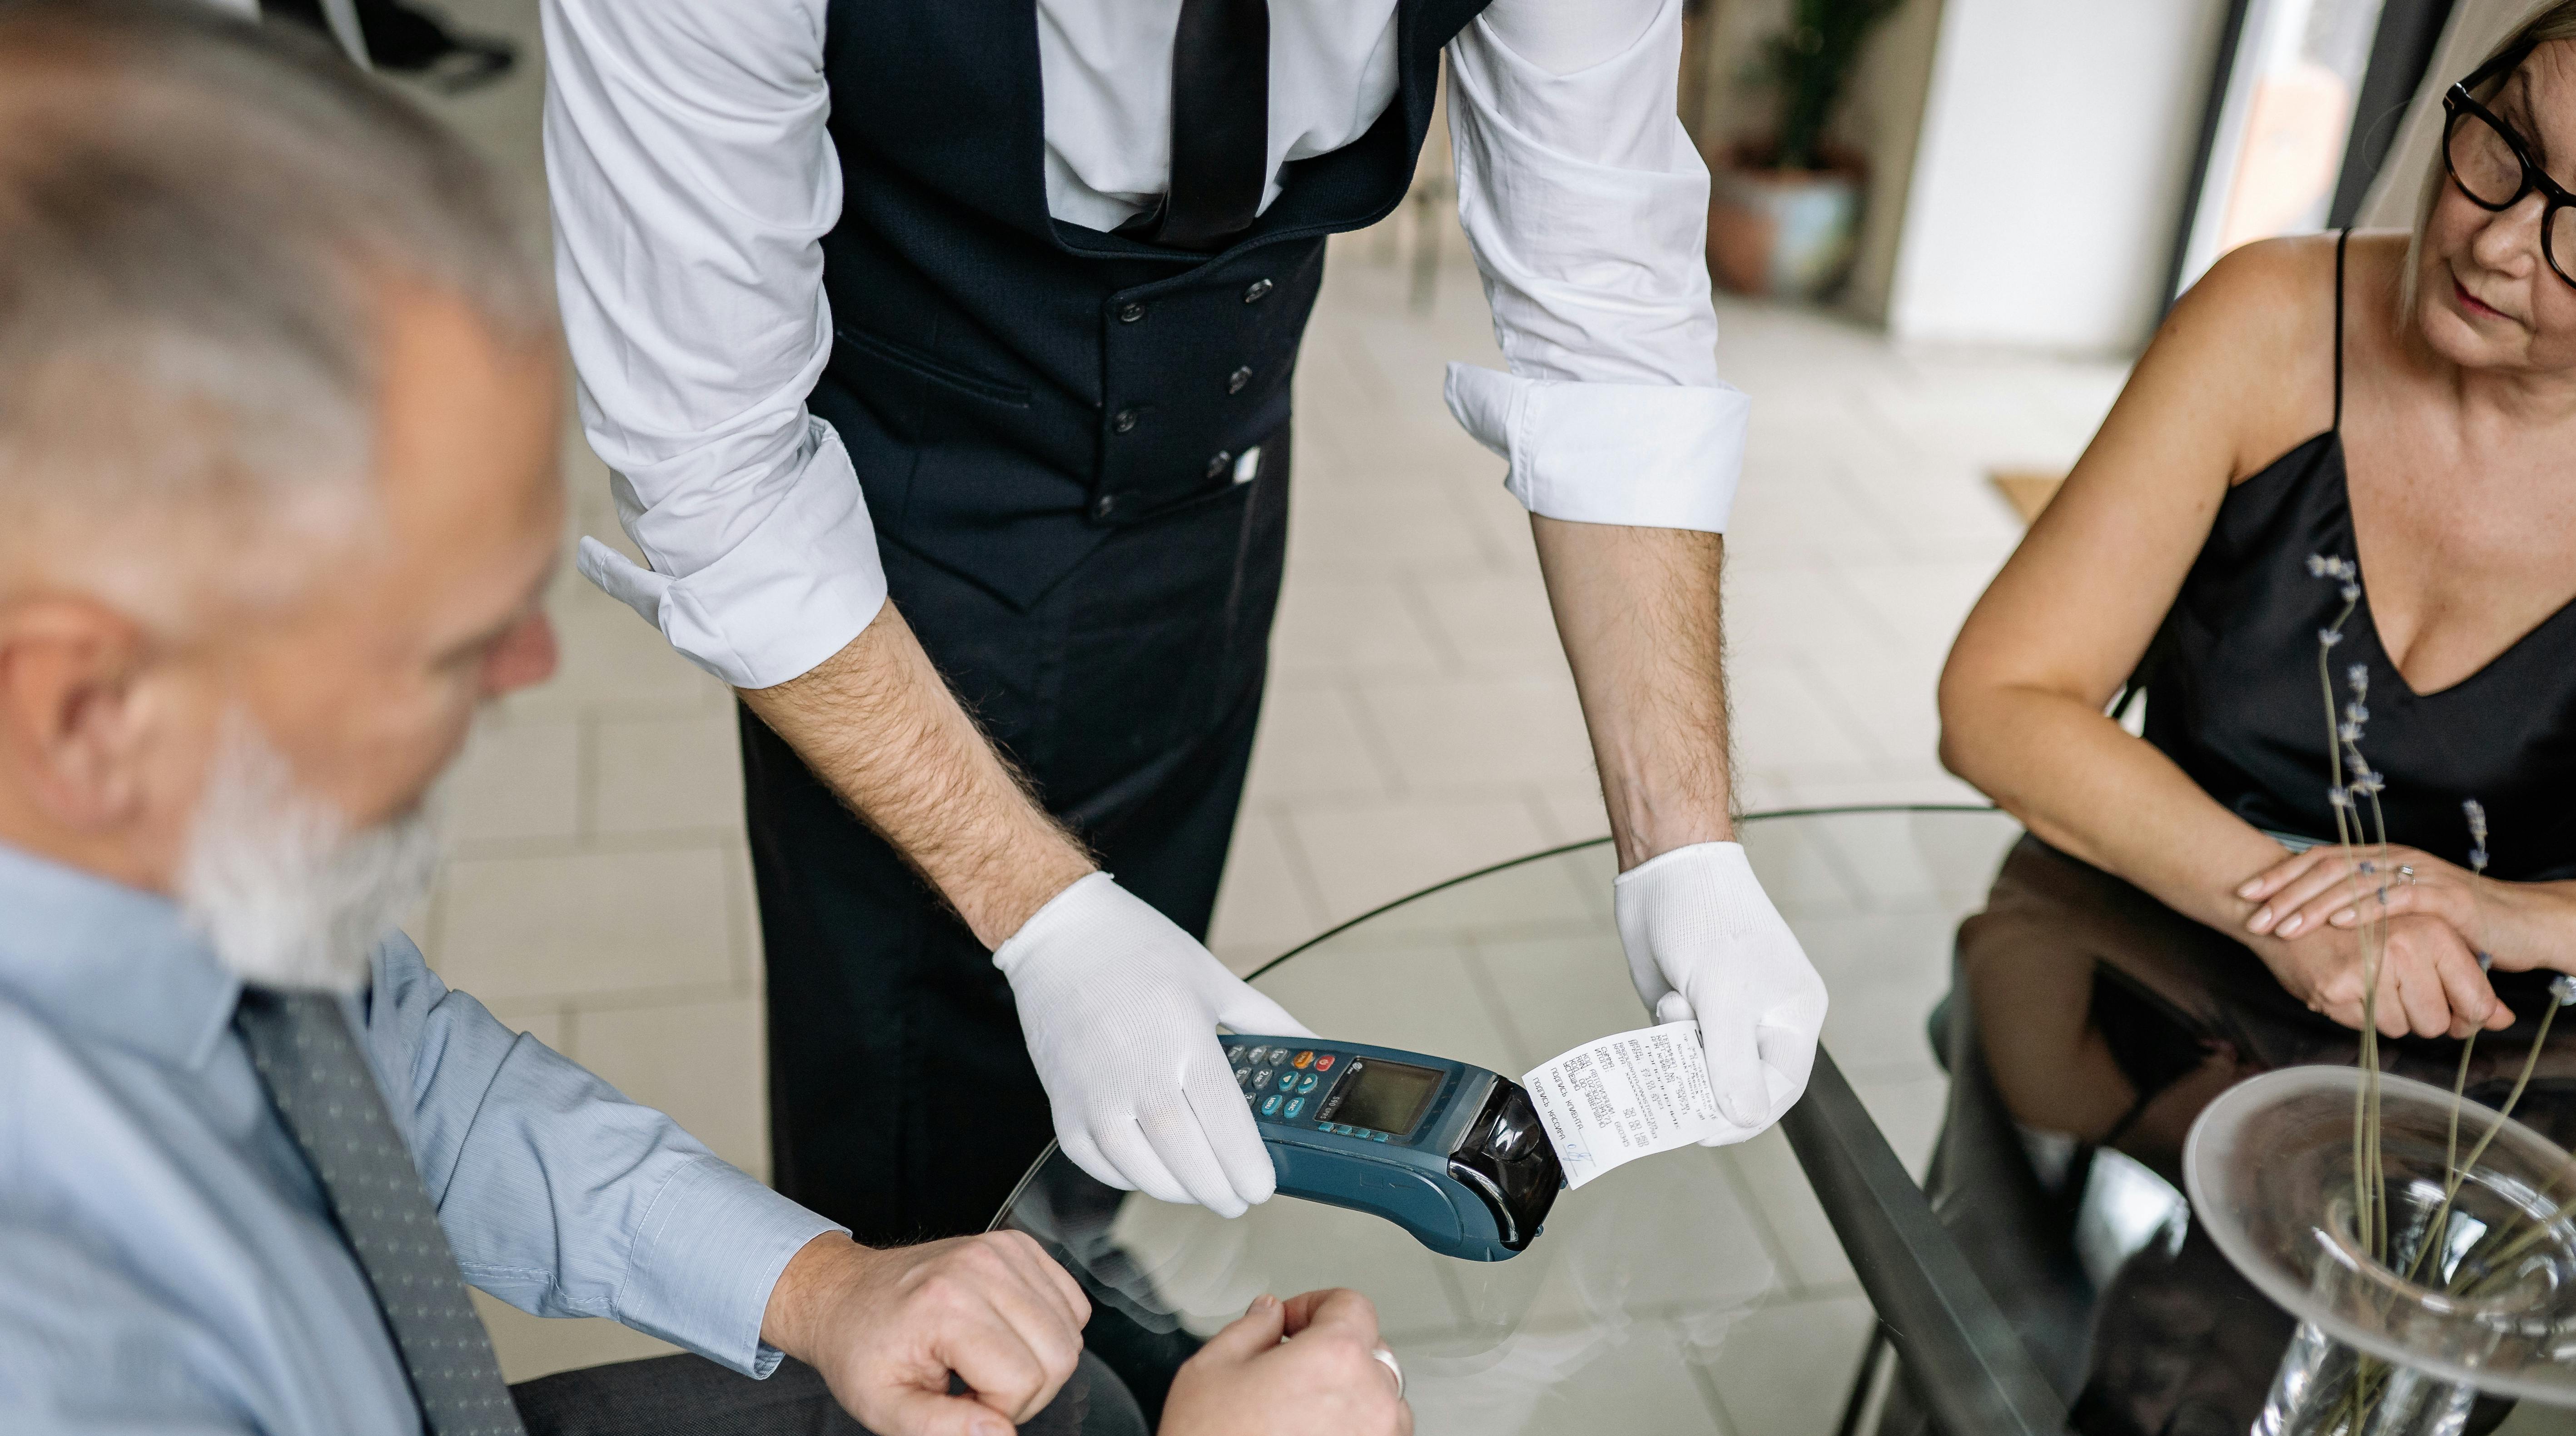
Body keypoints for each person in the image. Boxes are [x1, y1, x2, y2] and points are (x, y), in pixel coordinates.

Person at [0, 7, 1408, 1436]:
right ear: (85, 705)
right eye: (446, 638)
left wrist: (818, 1283)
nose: (526, 670)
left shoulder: (110, 846)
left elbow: (378, 1064)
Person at [541, 0, 1832, 1245]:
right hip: (893, 569)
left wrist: (1685, 848)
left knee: (1143, 1082)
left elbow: (1606, 301)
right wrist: (1044, 919)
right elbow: (711, 471)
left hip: (1221, 508)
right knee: (918, 1172)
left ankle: (1082, 1277)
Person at [1939, 0, 2576, 1039]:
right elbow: (1997, 702)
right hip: (2125, 981)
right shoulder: (2271, 317)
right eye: (2508, 143)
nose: (2495, 241)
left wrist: (2500, 913)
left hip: (2479, 1071)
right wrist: (2293, 905)